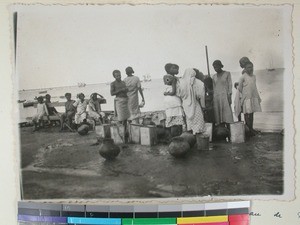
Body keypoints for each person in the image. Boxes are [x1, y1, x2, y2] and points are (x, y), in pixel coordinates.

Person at [177, 68, 205, 135]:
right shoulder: (196, 82)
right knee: (198, 121)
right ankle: (198, 136)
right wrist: (203, 105)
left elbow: (179, 93)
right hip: (195, 104)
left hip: (185, 105)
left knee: (189, 122)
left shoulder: (181, 82)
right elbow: (200, 94)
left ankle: (191, 136)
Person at [238, 61, 262, 136]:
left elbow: (255, 87)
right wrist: (244, 96)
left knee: (252, 113)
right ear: (245, 68)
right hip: (246, 98)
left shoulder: (254, 76)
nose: (250, 69)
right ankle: (248, 129)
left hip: (253, 97)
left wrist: (258, 97)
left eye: (252, 67)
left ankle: (251, 128)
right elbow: (240, 88)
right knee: (247, 114)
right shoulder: (243, 77)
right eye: (248, 67)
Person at [212, 60, 234, 126]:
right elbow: (214, 88)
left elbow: (230, 85)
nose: (215, 69)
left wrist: (229, 95)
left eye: (216, 67)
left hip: (225, 96)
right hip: (217, 97)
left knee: (227, 114)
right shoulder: (214, 76)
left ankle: (229, 130)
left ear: (220, 66)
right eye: (214, 67)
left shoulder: (227, 73)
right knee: (218, 115)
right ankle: (222, 130)